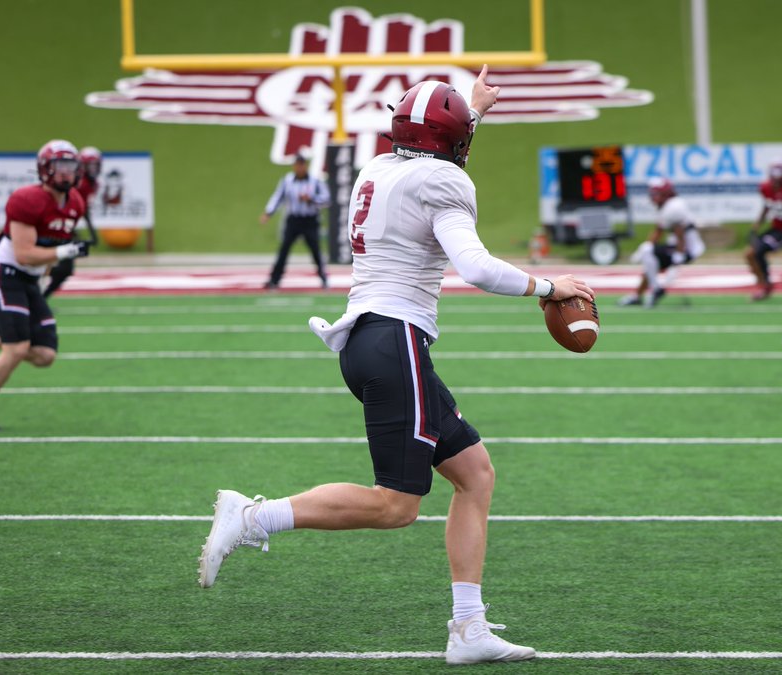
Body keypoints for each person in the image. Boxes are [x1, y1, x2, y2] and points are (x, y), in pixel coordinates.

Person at [197, 67, 594, 665]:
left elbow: (435, 161)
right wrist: (547, 284)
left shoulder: (377, 167)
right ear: (453, 141)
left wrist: (473, 111)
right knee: (396, 505)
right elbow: (478, 267)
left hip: (373, 341)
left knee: (475, 475)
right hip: (395, 341)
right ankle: (254, 516)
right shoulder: (442, 180)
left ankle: (468, 628)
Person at [0, 140, 91, 429]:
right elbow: (24, 253)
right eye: (60, 167)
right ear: (45, 170)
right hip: (7, 274)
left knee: (45, 355)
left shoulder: (75, 202)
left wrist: (46, 276)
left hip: (30, 279)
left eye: (70, 167)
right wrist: (66, 253)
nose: (66, 174)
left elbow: (53, 243)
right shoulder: (26, 200)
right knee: (16, 348)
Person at [618, 177, 703, 308]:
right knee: (649, 260)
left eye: (656, 193)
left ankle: (656, 290)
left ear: (665, 193)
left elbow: (679, 231)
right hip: (677, 246)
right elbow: (658, 231)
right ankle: (639, 295)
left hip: (687, 249)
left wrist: (679, 254)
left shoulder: (674, 207)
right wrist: (644, 248)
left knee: (648, 254)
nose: (652, 197)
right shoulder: (666, 206)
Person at [260, 150, 330, 289]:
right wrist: (269, 212)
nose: (299, 168)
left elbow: (326, 199)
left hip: (310, 220)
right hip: (293, 220)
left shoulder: (315, 181)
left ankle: (323, 278)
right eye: (297, 165)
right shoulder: (287, 180)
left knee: (315, 250)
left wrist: (311, 199)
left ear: (306, 166)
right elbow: (278, 197)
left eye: (302, 165)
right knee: (284, 250)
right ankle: (274, 280)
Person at [43, 146, 100, 298]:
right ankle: (39, 299)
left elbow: (81, 209)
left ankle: (41, 299)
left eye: (95, 165)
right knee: (57, 266)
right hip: (53, 226)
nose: (93, 170)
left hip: (61, 227)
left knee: (63, 267)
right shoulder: (78, 185)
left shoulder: (89, 184)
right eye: (89, 166)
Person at [745, 157, 782, 301]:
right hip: (775, 229)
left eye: (779, 172)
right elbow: (768, 205)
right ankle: (763, 283)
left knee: (759, 250)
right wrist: (757, 224)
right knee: (749, 254)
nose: (775, 176)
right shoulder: (766, 188)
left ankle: (766, 285)